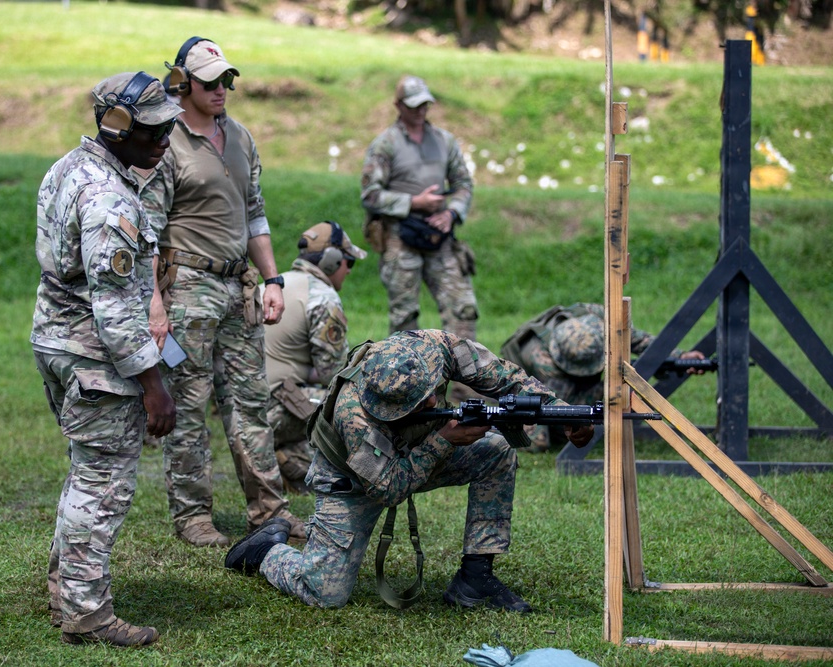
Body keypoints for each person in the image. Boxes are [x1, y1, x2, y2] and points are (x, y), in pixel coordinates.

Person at [224, 330, 594, 613]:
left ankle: (475, 579)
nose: (434, 401)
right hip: (352, 479)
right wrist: (445, 441)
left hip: (418, 450)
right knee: (324, 592)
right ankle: (267, 552)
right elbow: (388, 488)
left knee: (496, 450)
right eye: (420, 403)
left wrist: (560, 411)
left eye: (432, 391)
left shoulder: (434, 346)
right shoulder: (355, 418)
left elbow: (503, 376)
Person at [137, 37, 305, 548]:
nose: (221, 89)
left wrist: (273, 279)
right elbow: (147, 229)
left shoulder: (241, 137)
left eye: (227, 79)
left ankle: (269, 511)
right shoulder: (165, 143)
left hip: (239, 287)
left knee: (251, 402)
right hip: (187, 284)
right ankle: (192, 516)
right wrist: (154, 304)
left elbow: (255, 212)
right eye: (210, 81)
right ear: (183, 85)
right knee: (188, 405)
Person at [32, 71, 181, 647]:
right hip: (97, 357)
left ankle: (68, 593)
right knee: (102, 484)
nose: (164, 138)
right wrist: (153, 385)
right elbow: (116, 311)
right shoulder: (109, 200)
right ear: (116, 130)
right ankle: (87, 614)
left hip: (56, 340)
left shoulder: (68, 167)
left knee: (85, 474)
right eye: (152, 131)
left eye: (168, 126)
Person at [360, 75, 478, 344]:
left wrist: (452, 214)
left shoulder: (444, 141)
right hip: (400, 236)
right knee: (405, 317)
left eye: (425, 104)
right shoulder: (385, 144)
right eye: (413, 105)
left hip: (440, 235)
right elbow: (370, 195)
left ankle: (464, 382)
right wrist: (414, 203)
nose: (420, 111)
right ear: (398, 105)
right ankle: (410, 380)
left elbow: (463, 183)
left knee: (463, 308)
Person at [500, 302, 705, 452]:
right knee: (538, 444)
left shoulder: (596, 316)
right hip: (525, 387)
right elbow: (562, 406)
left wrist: (678, 356)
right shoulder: (543, 361)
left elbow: (634, 338)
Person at [261, 220, 366, 495]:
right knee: (354, 403)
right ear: (332, 261)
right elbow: (336, 375)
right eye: (349, 263)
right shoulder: (323, 297)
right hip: (275, 408)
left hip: (249, 406)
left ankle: (288, 459)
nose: (349, 271)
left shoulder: (273, 285)